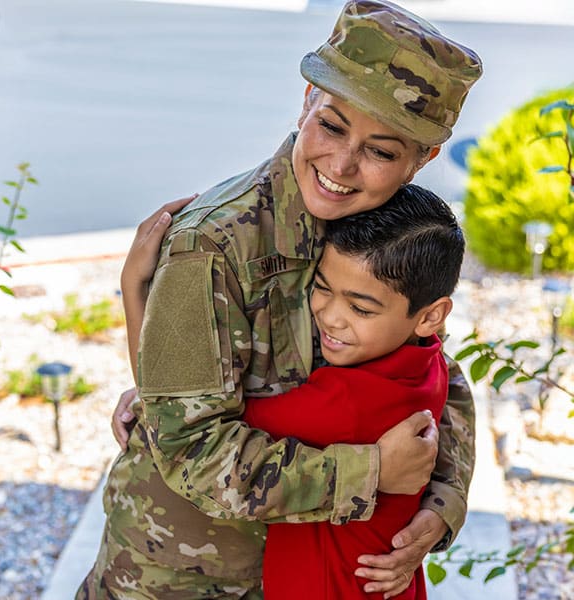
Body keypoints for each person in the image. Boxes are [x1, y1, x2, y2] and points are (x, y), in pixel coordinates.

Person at [79, 1, 482, 598]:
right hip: (187, 576)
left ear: (422, 160)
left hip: (313, 571)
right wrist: (371, 471)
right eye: (332, 125)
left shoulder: (395, 232)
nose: (341, 166)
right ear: (306, 101)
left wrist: (441, 505)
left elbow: (432, 372)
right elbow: (190, 449)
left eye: (381, 151)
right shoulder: (213, 244)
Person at [240, 184, 463, 599]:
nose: (330, 316)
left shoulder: (349, 403)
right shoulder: (428, 363)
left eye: (360, 308)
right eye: (322, 286)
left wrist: (134, 291)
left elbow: (208, 422)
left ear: (431, 315)